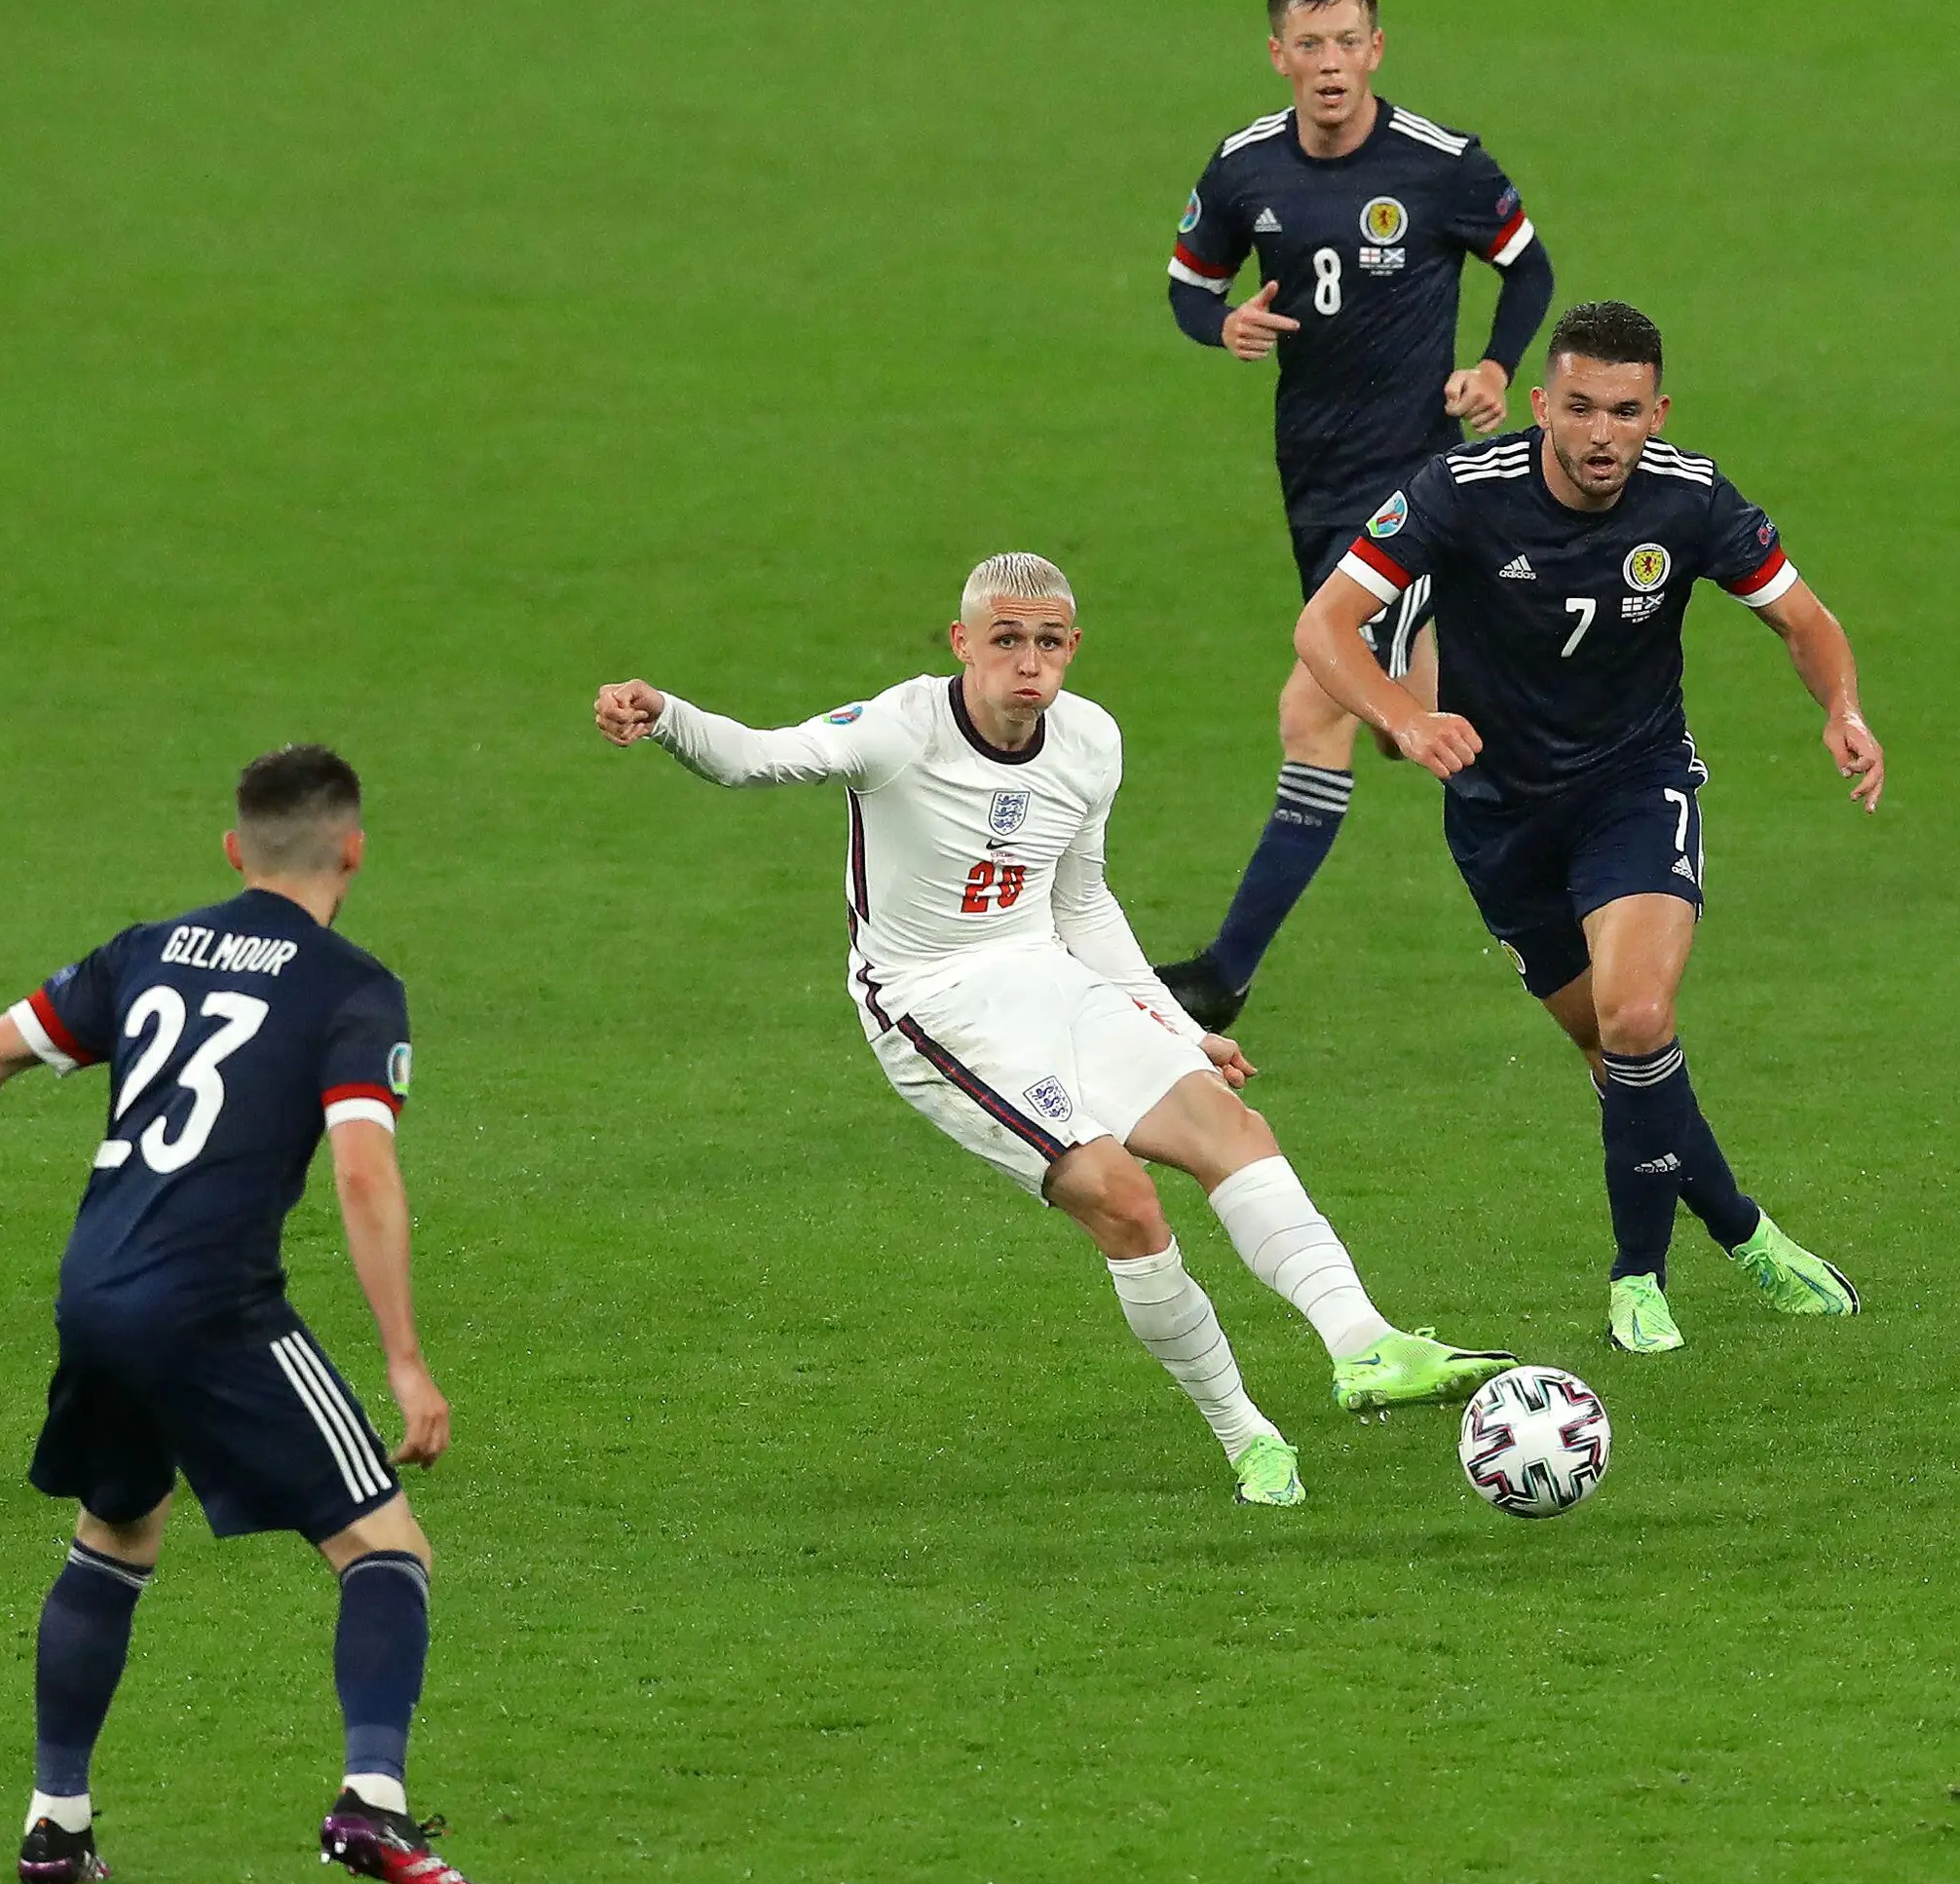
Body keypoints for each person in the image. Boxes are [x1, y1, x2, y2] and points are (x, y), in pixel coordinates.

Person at [590, 553, 1515, 1510]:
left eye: (1046, 642)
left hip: (1048, 973)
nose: (1027, 663)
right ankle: (1248, 1437)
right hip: (933, 1004)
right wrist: (665, 714)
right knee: (1125, 1201)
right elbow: (754, 756)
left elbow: (1082, 901)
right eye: (1005, 640)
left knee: (1230, 1127)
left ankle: (1365, 1344)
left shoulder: (1090, 740)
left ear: (1072, 646)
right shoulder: (899, 728)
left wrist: (1178, 1027)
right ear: (964, 644)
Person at [0, 745, 493, 1884]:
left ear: (233, 849)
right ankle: (374, 1800)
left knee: (117, 1528)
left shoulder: (148, 948)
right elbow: (363, 1171)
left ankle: (56, 1820)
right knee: (387, 1547)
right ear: (353, 851)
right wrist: (406, 1358)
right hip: (212, 1302)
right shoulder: (353, 988)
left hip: (95, 1290)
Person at [1293, 301, 1875, 1352]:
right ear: (1540, 405)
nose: (1602, 433)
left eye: (1625, 411)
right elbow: (1325, 622)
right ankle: (1747, 1233)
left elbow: (1804, 619)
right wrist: (1403, 716)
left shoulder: (1691, 499)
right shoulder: (1460, 492)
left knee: (1639, 1013)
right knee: (1618, 1059)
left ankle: (1637, 1279)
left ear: (1658, 413)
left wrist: (1842, 708)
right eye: (1580, 408)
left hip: (1632, 788)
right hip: (1499, 819)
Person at [1153, 0, 1558, 1031]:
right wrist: (1224, 324)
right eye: (1310, 44)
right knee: (1408, 722)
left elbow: (1528, 267)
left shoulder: (1441, 164)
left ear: (1376, 48)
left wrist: (1495, 367)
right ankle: (1585, 813)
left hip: (1415, 487)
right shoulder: (1244, 168)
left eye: (1347, 42)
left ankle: (1223, 977)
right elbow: (1190, 285)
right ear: (1277, 55)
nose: (1330, 64)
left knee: (1315, 704)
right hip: (1315, 480)